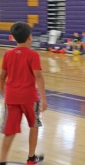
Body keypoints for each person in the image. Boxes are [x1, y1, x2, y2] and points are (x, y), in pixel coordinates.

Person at [0, 22, 48, 165]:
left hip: (11, 98)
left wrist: (3, 93)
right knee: (34, 125)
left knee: (9, 130)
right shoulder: (33, 55)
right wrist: (44, 99)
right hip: (29, 98)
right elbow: (38, 76)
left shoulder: (8, 54)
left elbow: (2, 77)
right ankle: (31, 158)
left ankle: (2, 161)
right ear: (29, 37)